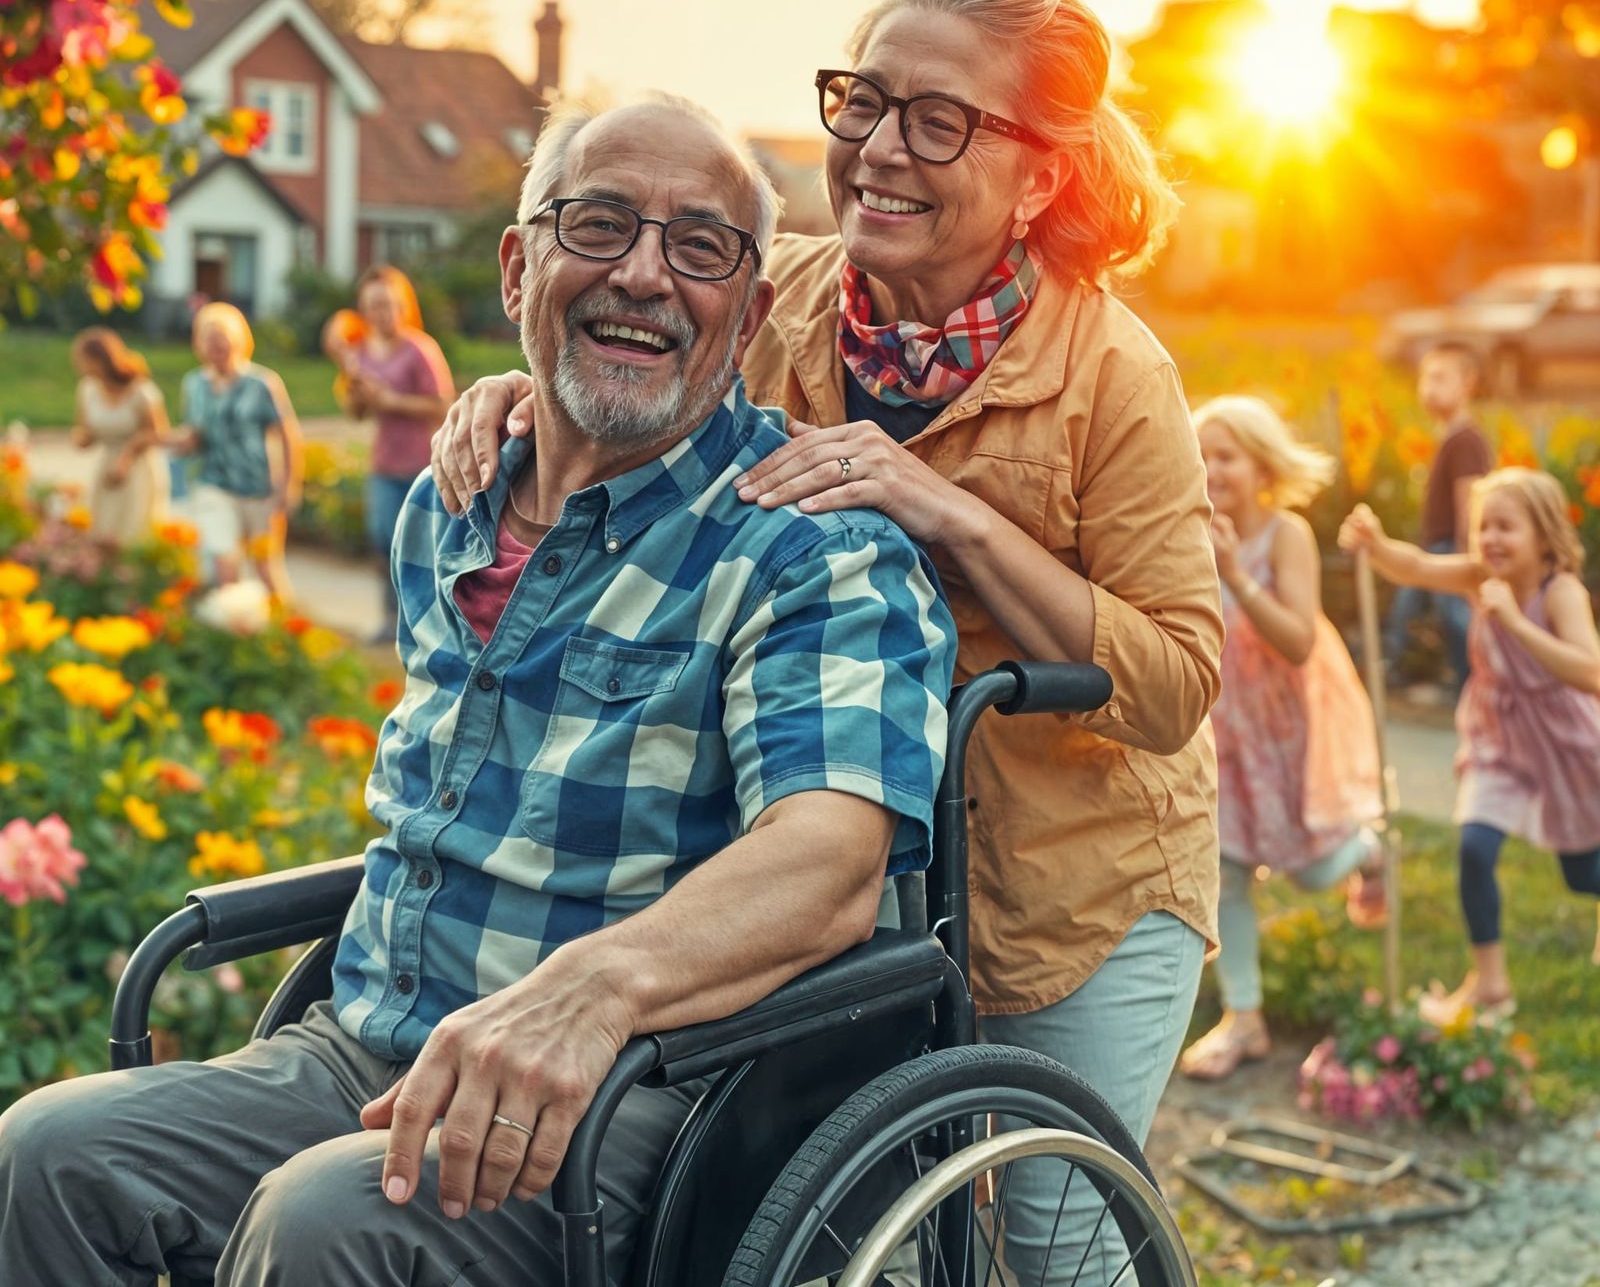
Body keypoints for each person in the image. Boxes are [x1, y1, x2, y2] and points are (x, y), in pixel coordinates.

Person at [0, 96, 955, 1287]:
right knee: (42, 1152)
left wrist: (589, 993)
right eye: (599, 224)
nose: (645, 274)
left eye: (700, 246)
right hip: (361, 1051)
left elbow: (828, 865)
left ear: (748, 314)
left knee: (323, 1220)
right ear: (518, 268)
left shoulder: (809, 547)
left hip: (629, 1097)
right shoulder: (447, 506)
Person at [431, 0, 1224, 1285]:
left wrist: (956, 517)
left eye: (940, 119)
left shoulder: (1114, 375)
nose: (880, 148)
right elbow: (629, 369)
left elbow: (1177, 681)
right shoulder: (772, 297)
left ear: (1039, 178)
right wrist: (520, 397)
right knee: (846, 1229)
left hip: (1073, 887)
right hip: (842, 858)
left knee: (1049, 1243)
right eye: (866, 101)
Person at [1341, 469, 1600, 1023]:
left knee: (1583, 875)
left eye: (1506, 527)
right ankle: (1492, 984)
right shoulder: (1479, 575)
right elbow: (1415, 566)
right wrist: (1377, 544)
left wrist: (1515, 622)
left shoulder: (1561, 592)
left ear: (1544, 535)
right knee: (1475, 848)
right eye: (1484, 527)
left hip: (1568, 744)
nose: (1490, 539)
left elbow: (1590, 672)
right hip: (1500, 743)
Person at [1180, 397, 1386, 1080]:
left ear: (1263, 469)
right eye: (1201, 456)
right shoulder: (1190, 531)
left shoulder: (1284, 535)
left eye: (1227, 457)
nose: (1212, 470)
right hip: (1225, 727)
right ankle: (1244, 1018)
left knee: (1312, 867)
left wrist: (1236, 573)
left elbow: (1297, 642)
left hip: (1290, 728)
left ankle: (1370, 851)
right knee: (1228, 869)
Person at [324, 266, 455, 641]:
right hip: (384, 464)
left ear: (402, 305)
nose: (380, 313)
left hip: (424, 466)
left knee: (424, 548)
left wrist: (391, 400)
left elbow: (444, 405)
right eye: (373, 306)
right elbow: (356, 413)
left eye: (387, 304)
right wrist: (355, 386)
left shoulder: (420, 349)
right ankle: (393, 620)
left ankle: (429, 625)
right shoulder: (361, 353)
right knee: (384, 543)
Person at [167, 302, 303, 599]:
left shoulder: (262, 383)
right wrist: (177, 441)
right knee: (224, 561)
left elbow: (288, 436)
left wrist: (288, 485)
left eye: (223, 338)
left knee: (265, 566)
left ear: (239, 340)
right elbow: (194, 433)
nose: (217, 346)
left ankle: (286, 622)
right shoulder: (194, 384)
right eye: (210, 340)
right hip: (214, 483)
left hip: (258, 486)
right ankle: (233, 620)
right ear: (199, 344)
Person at [1382, 342, 1491, 699]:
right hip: (1435, 544)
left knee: (1458, 617)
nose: (1429, 388)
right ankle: (1405, 666)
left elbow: (1470, 499)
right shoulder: (1450, 437)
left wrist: (1467, 552)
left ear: (1468, 383)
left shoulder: (1466, 440)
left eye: (1441, 378)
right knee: (1411, 605)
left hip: (1450, 546)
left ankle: (1477, 681)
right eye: (1426, 379)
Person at [68, 328, 169, 546]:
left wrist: (127, 456)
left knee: (135, 533)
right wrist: (81, 439)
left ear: (100, 360)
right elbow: (86, 431)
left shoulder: (141, 391)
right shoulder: (87, 390)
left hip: (139, 467)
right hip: (107, 467)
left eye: (83, 359)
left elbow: (159, 433)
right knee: (102, 531)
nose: (78, 365)